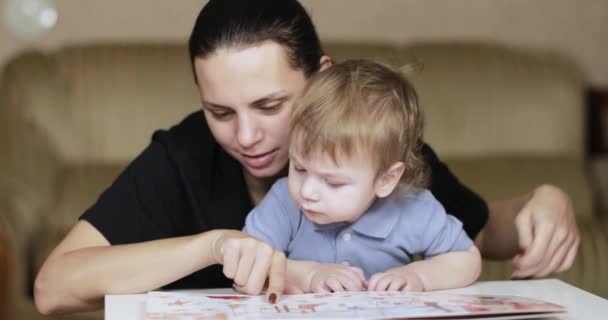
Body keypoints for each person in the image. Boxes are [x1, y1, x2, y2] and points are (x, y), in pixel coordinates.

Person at [33, 0, 579, 316]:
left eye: (271, 105)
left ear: (322, 78)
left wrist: (547, 197)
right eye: (219, 111)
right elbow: (53, 287)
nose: (246, 135)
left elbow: (481, 234)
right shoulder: (183, 155)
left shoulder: (366, 139)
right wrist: (213, 245)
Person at [243, 59, 482, 293]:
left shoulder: (413, 209)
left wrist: (418, 275)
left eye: (333, 182)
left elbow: (466, 259)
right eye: (299, 168)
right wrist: (308, 275)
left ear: (385, 180)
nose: (306, 191)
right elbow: (246, 264)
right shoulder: (284, 202)